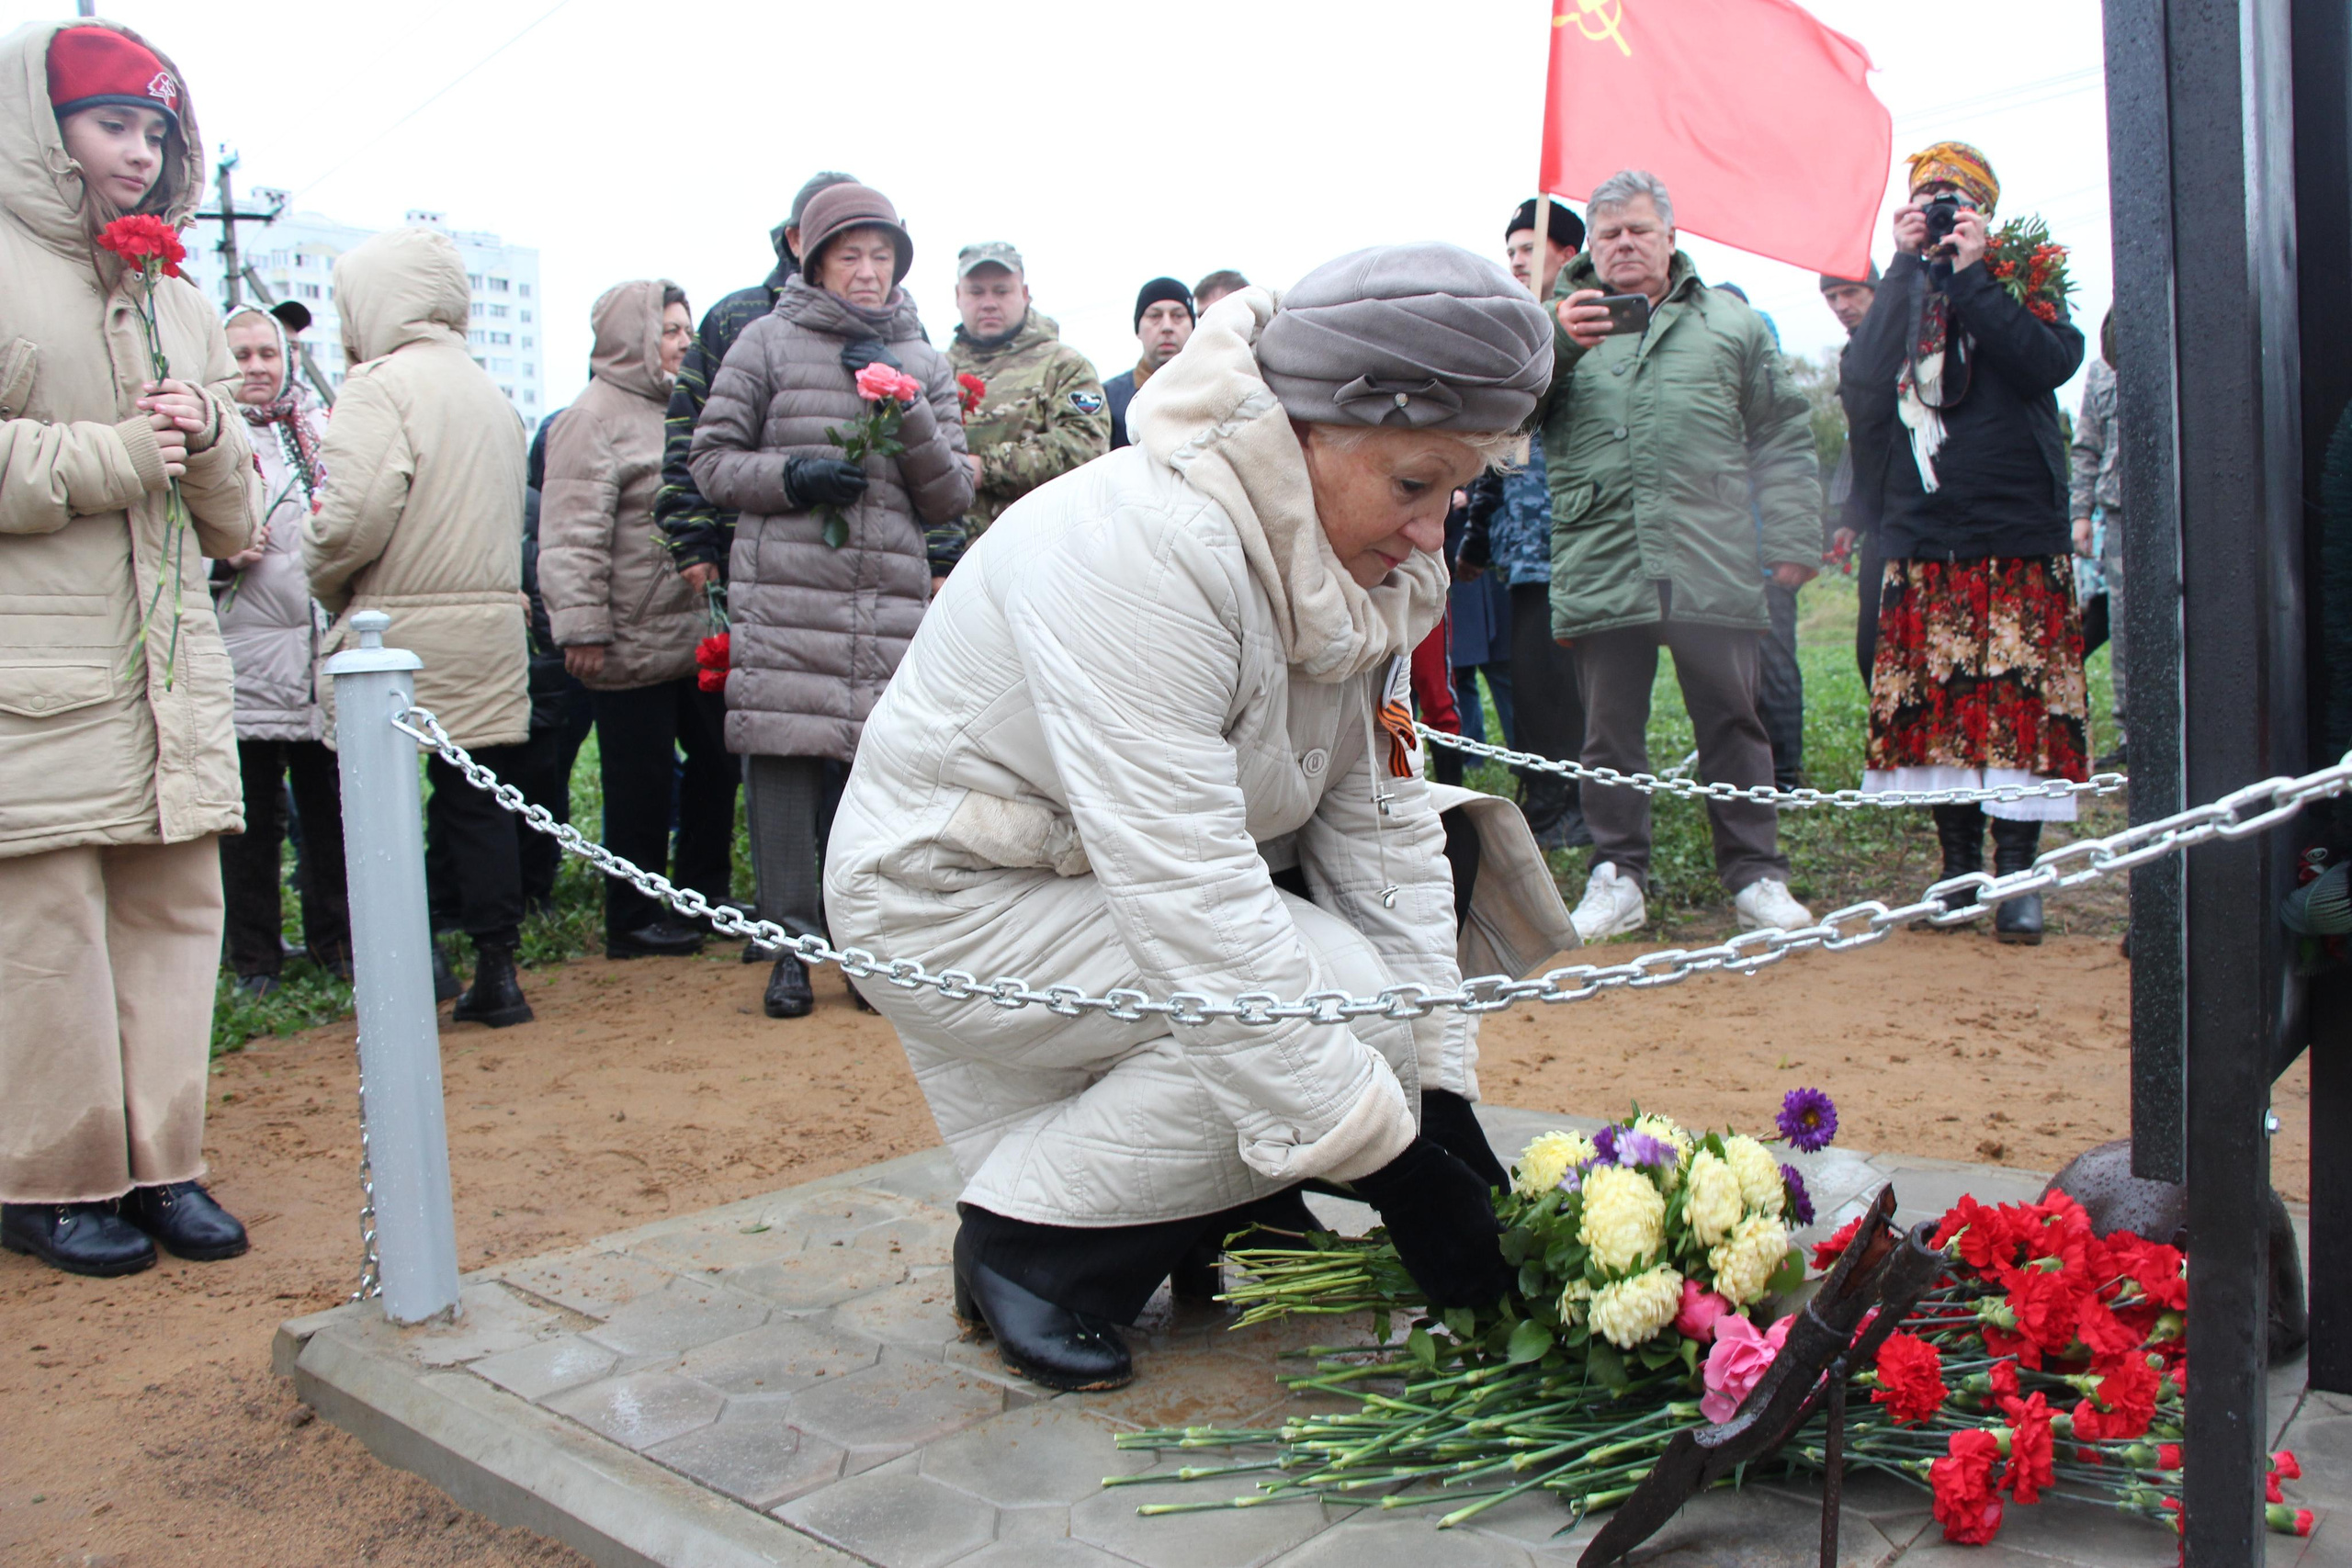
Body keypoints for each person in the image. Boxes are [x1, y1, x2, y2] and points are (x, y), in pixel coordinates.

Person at [826, 243, 1555, 1391]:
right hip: (953, 900)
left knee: (1366, 1004)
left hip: (1091, 889)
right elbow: (1192, 896)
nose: (1434, 531)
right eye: (1415, 484)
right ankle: (1030, 1253)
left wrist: (1440, 1096)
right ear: (1305, 432)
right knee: (1337, 1000)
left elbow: (1381, 831)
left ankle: (1218, 1212)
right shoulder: (1143, 547)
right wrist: (1401, 1172)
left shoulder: (1350, 563)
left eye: (1455, 491)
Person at [0, 19, 261, 1277]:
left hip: (170, 668)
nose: (141, 152)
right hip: (31, 668)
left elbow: (237, 522)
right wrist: (108, 454)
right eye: (113, 124)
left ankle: (164, 1162)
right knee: (43, 931)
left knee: (174, 915)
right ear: (40, 127)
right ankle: (46, 1178)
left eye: (157, 130)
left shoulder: (183, 298)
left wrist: (207, 432)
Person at [689, 182, 976, 1020]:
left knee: (872, 788)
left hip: (883, 609)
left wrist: (907, 407)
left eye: (882, 255)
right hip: (787, 602)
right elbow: (709, 461)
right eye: (850, 254)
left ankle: (863, 955)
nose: (868, 270)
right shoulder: (765, 344)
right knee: (780, 774)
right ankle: (788, 950)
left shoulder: (923, 359)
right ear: (813, 261)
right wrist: (794, 476)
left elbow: (950, 495)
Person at [1547, 170, 1822, 941]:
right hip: (1605, 555)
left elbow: (1781, 429)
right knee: (1608, 733)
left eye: (1639, 230)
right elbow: (1510, 415)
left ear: (1671, 236)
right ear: (1590, 245)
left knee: (1734, 720)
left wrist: (1795, 534)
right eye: (1609, 234)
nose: (1624, 244)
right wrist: (1557, 343)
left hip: (1712, 551)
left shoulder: (1731, 323)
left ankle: (1757, 875)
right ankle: (1617, 875)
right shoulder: (1551, 324)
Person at [1840, 143, 2088, 945]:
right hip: (1925, 532)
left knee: (2020, 708)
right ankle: (1956, 868)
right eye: (1929, 198)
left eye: (1956, 199)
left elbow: (2048, 362)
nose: (1942, 211)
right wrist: (1903, 268)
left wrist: (1976, 276)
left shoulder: (2024, 277)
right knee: (1938, 708)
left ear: (1985, 210)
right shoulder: (1902, 283)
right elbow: (1862, 381)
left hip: (2017, 530)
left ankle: (2017, 876)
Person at [305, 223, 536, 1021]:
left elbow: (351, 520)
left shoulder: (378, 386)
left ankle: (414, 964)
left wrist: (322, 577)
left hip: (396, 630)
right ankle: (498, 970)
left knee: (384, 806)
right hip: (492, 626)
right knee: (478, 803)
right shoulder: (489, 392)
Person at [541, 281, 736, 960]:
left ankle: (705, 898)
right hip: (627, 633)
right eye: (669, 330)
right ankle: (632, 915)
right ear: (633, 338)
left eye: (687, 329)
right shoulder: (590, 418)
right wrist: (581, 628)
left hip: (692, 633)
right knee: (640, 782)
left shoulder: (689, 410)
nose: (684, 342)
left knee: (718, 763)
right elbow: (570, 533)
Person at [214, 304, 350, 997]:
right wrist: (220, 557)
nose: (257, 367)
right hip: (244, 660)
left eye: (267, 353)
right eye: (240, 355)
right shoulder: (209, 438)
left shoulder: (321, 430)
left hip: (317, 657)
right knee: (250, 823)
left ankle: (337, 943)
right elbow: (164, 541)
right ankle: (255, 961)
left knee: (329, 813)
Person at [1460, 197, 1593, 848]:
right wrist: (1478, 538)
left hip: (1576, 539)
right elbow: (1500, 449)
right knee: (1535, 683)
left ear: (1568, 255)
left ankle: (1573, 806)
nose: (1515, 260)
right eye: (1510, 250)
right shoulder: (1514, 333)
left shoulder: (1593, 329)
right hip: (1522, 547)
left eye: (1530, 248)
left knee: (1569, 686)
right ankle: (1547, 798)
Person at [658, 172, 858, 602]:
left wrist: (939, 558)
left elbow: (929, 458)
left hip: (872, 564)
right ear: (795, 239)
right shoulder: (736, 318)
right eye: (827, 230)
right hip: (754, 562)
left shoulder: (898, 331)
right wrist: (692, 541)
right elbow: (689, 435)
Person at [944, 243, 1110, 555]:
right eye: (976, 292)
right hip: (948, 561)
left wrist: (986, 468)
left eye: (1001, 291)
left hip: (1037, 553)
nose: (989, 303)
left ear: (1024, 294)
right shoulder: (936, 371)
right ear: (958, 296)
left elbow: (1086, 448)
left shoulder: (1063, 366)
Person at [1819, 265, 1882, 679]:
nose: (1842, 305)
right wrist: (1853, 517)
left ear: (1876, 290)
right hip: (1879, 518)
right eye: (1832, 297)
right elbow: (1864, 444)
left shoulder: (1906, 342)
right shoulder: (1851, 355)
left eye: (1851, 292)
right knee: (1870, 651)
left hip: (1921, 516)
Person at [2071, 310, 2125, 767]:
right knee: (2123, 624)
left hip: (2177, 503)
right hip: (2119, 512)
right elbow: (2087, 446)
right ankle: (2132, 733)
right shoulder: (2102, 367)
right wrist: (2081, 515)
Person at [1102, 277, 1193, 451]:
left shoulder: (1215, 388)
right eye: (1155, 316)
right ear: (1138, 329)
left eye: (1178, 316)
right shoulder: (1108, 398)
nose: (1167, 327)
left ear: (1193, 326)